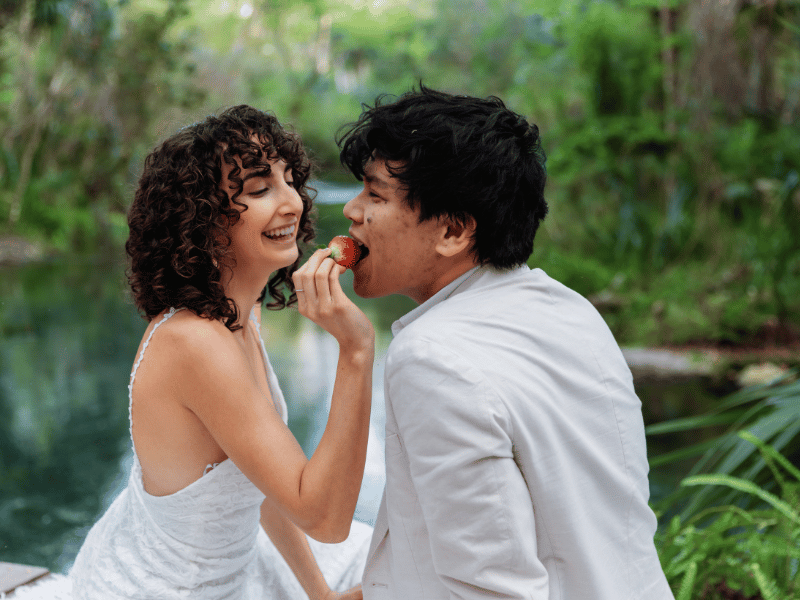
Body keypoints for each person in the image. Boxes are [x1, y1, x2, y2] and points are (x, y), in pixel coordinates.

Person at [13, 105, 374, 600]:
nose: (291, 202)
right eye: (259, 189)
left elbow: (263, 485)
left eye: (289, 180)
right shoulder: (195, 342)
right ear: (202, 220)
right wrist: (355, 352)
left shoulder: (239, 317)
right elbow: (325, 519)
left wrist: (321, 595)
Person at [335, 86, 675, 600]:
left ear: (452, 230)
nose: (352, 212)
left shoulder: (431, 359)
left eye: (376, 195)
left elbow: (491, 588)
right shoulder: (569, 309)